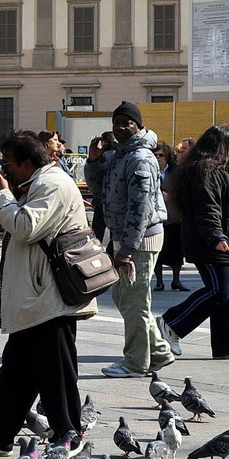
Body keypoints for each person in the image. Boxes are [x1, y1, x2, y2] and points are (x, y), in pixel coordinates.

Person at [0, 132, 97, 459]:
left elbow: (25, 227)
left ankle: (68, 436)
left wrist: (2, 195)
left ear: (27, 162)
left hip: (50, 297)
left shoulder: (52, 185)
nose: (5, 172)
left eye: (8, 164)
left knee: (57, 374)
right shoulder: (39, 184)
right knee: (16, 373)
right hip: (37, 297)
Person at [85, 101, 175, 378]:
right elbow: (99, 190)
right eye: (117, 123)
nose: (121, 128)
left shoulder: (140, 158)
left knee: (135, 301)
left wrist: (126, 248)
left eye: (127, 123)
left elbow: (141, 209)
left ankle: (136, 362)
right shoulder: (120, 155)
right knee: (123, 295)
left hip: (141, 240)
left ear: (138, 125)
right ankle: (158, 351)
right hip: (126, 237)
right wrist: (93, 160)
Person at [156, 125, 229, 360]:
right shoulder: (205, 170)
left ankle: (227, 345)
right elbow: (207, 206)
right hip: (212, 241)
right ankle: (172, 323)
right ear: (219, 145)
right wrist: (215, 235)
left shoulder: (221, 169)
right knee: (218, 290)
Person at [152, 142, 187, 292]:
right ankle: (159, 281)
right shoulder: (149, 170)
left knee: (176, 250)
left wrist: (171, 197)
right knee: (158, 251)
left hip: (173, 216)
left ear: (167, 157)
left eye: (161, 155)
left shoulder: (175, 171)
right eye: (155, 155)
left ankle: (176, 280)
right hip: (156, 218)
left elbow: (183, 191)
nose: (158, 158)